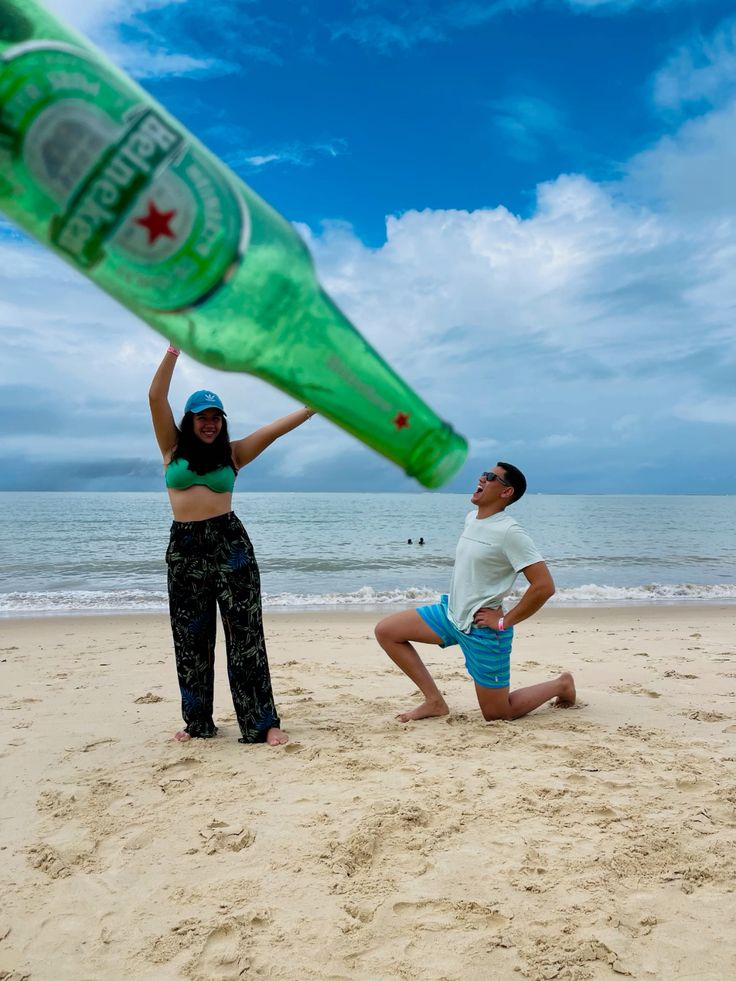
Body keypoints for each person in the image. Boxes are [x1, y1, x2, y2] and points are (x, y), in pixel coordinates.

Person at [149, 344, 315, 746]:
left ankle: (262, 724)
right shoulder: (171, 447)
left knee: (246, 637)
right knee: (190, 639)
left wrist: (312, 407)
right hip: (185, 547)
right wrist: (173, 350)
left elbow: (273, 430)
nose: (210, 424)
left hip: (230, 545)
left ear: (223, 422)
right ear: (189, 421)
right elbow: (156, 397)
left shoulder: (233, 453)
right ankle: (198, 723)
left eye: (216, 418)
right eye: (202, 418)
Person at [375, 463, 575, 723]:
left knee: (497, 714)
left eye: (491, 477)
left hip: (483, 630)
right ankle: (434, 701)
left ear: (506, 492)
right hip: (451, 615)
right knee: (387, 631)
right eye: (484, 473)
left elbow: (544, 586)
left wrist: (503, 621)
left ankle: (561, 684)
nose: (482, 478)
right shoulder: (472, 518)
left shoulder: (510, 532)